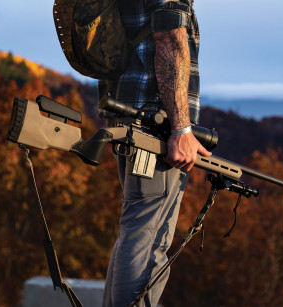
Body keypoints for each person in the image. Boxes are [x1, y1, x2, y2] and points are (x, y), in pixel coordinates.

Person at [99, 1, 211, 306]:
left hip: (129, 115)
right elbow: (170, 38)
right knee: (148, 241)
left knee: (134, 233)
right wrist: (181, 129)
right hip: (155, 126)